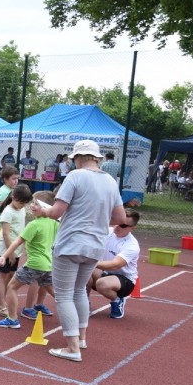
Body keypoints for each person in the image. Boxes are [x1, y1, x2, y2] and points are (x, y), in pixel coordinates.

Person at [32, 139, 126, 362]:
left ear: (78, 158)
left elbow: (56, 212)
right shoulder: (110, 182)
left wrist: (42, 211)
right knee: (79, 291)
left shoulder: (75, 176)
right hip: (95, 245)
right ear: (96, 158)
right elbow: (120, 218)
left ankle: (72, 347)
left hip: (71, 243)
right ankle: (80, 339)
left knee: (64, 294)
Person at [0, 191, 58, 327]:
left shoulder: (34, 225)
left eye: (36, 204)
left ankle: (12, 319)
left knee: (12, 287)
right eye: (32, 202)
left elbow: (17, 242)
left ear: (47, 208)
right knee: (55, 292)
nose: (32, 205)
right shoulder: (53, 223)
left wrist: (5, 255)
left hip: (35, 264)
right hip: (48, 264)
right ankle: (73, 310)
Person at [0, 184, 33, 328]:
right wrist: (9, 252)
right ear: (14, 197)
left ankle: (0, 301)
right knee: (2, 277)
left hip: (15, 251)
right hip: (6, 250)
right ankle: (2, 306)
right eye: (21, 202)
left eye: (25, 204)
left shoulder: (20, 210)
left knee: (10, 276)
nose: (23, 206)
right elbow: (5, 233)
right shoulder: (7, 212)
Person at [88, 210, 141, 320]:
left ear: (132, 228)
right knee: (83, 273)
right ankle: (84, 304)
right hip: (105, 273)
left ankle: (117, 300)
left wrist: (91, 262)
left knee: (102, 283)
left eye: (123, 225)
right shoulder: (108, 232)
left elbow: (115, 265)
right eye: (116, 222)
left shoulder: (131, 245)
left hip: (125, 280)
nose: (117, 226)